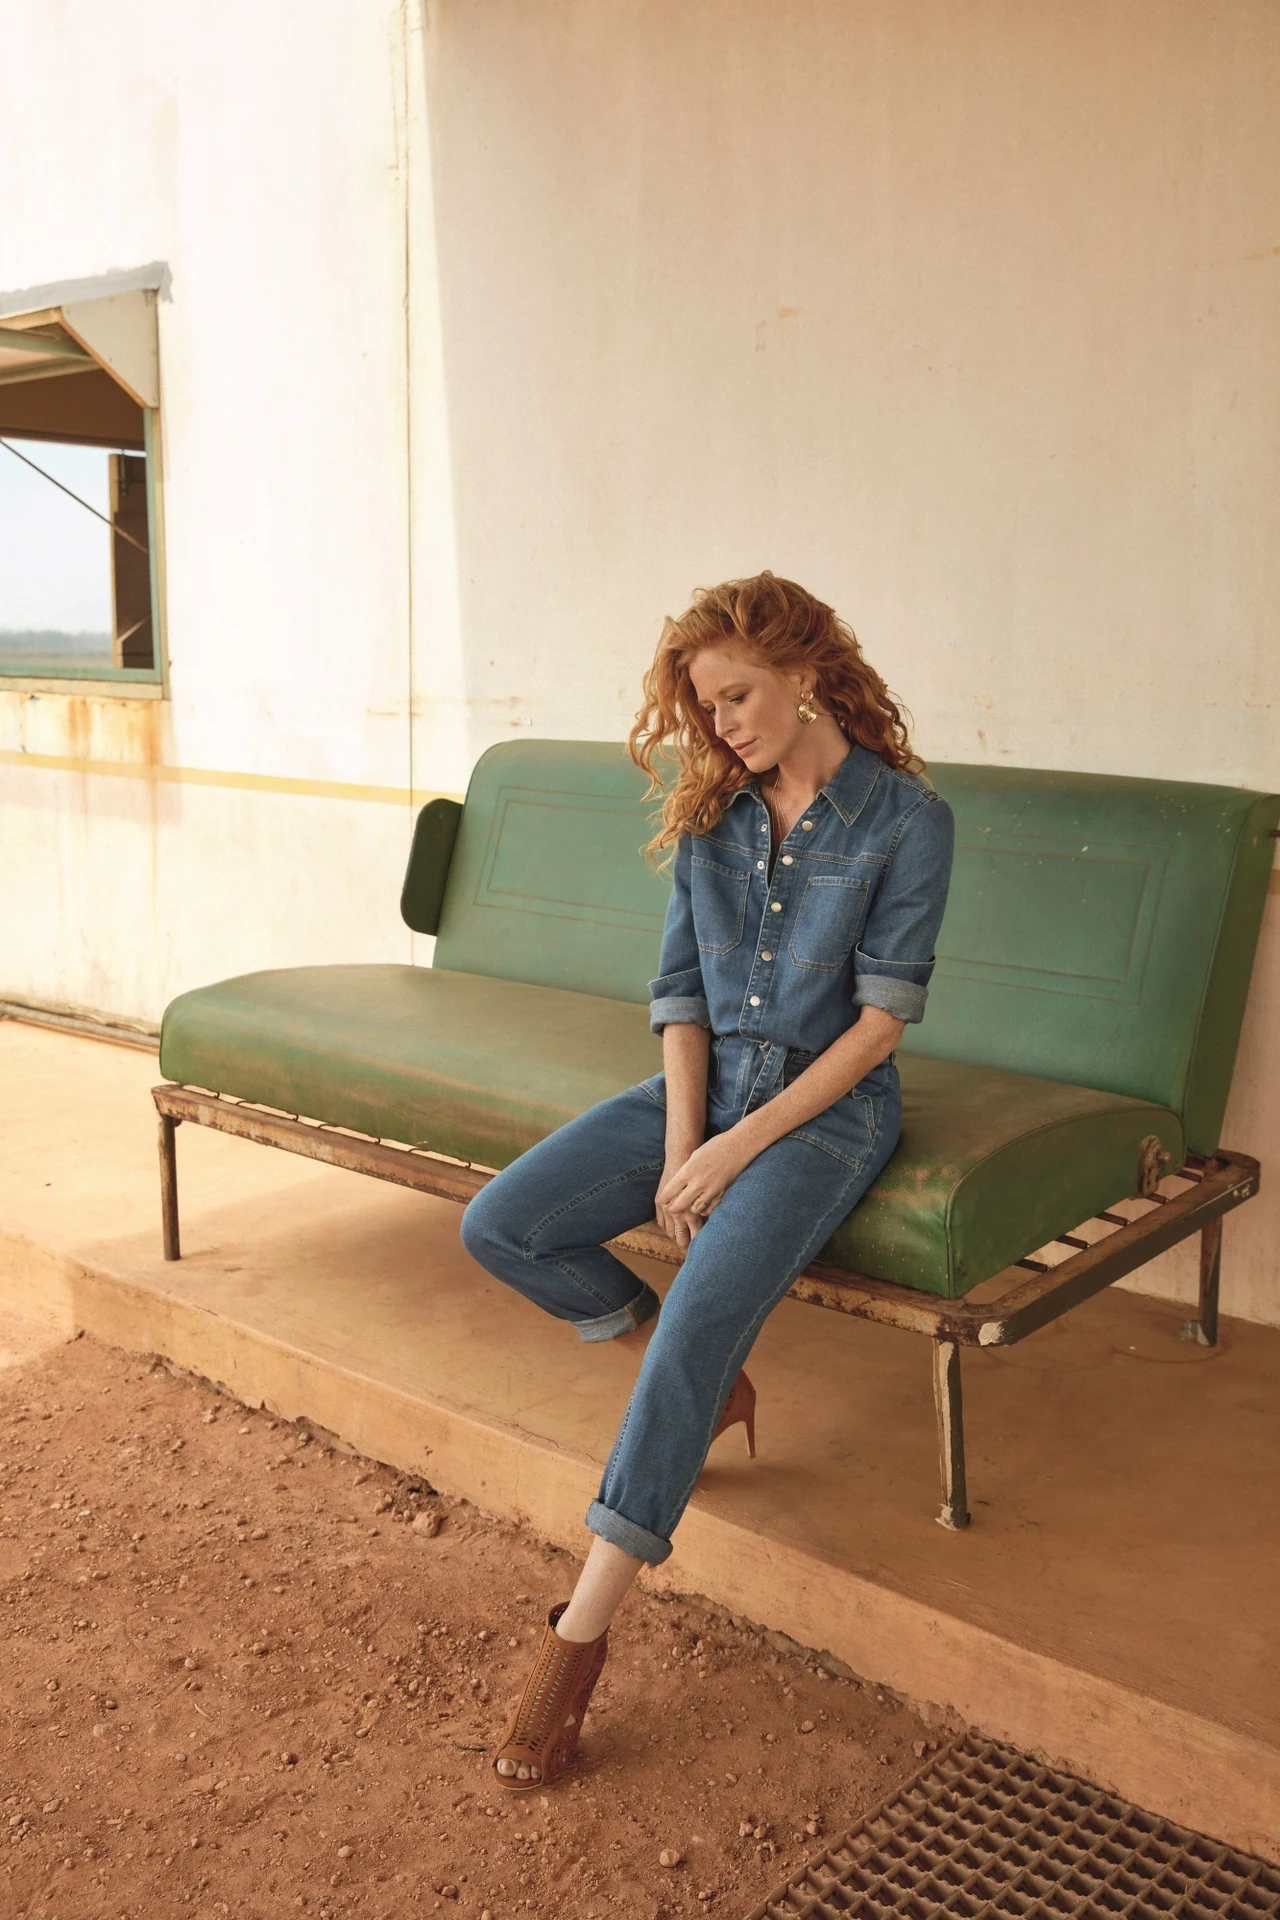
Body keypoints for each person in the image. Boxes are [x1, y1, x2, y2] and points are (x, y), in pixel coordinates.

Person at [460, 570, 954, 1791]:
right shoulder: (711, 810)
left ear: (804, 675)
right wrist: (686, 1146)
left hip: (823, 1116)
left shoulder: (903, 820)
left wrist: (737, 1151)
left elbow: (877, 1027)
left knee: (689, 1324)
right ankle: (706, 1388)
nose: (720, 724)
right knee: (505, 1224)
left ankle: (575, 1643)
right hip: (704, 1089)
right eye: (704, 705)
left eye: (736, 696)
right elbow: (680, 996)